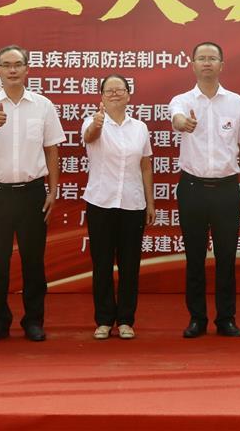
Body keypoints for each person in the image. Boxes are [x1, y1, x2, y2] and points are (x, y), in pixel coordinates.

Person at [0, 45, 65, 342]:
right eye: (6, 65)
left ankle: (33, 320)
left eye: (17, 64)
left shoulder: (42, 105)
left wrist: (53, 190)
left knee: (33, 262)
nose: (12, 70)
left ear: (26, 69)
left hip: (32, 193)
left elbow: (52, 149)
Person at [170, 41, 240, 338]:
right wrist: (184, 123)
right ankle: (197, 318)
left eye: (212, 58)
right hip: (192, 188)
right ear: (192, 64)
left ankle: (226, 318)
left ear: (222, 65)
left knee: (226, 257)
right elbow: (177, 118)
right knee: (194, 257)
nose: (207, 63)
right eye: (201, 58)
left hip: (227, 189)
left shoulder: (236, 102)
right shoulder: (182, 100)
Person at [82, 74, 156, 340]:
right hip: (101, 202)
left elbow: (145, 166)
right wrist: (98, 124)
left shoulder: (140, 128)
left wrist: (150, 202)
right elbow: (89, 137)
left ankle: (125, 319)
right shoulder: (92, 121)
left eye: (120, 90)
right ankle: (103, 320)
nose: (115, 94)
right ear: (101, 96)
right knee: (102, 264)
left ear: (128, 95)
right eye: (109, 90)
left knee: (129, 265)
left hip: (132, 203)